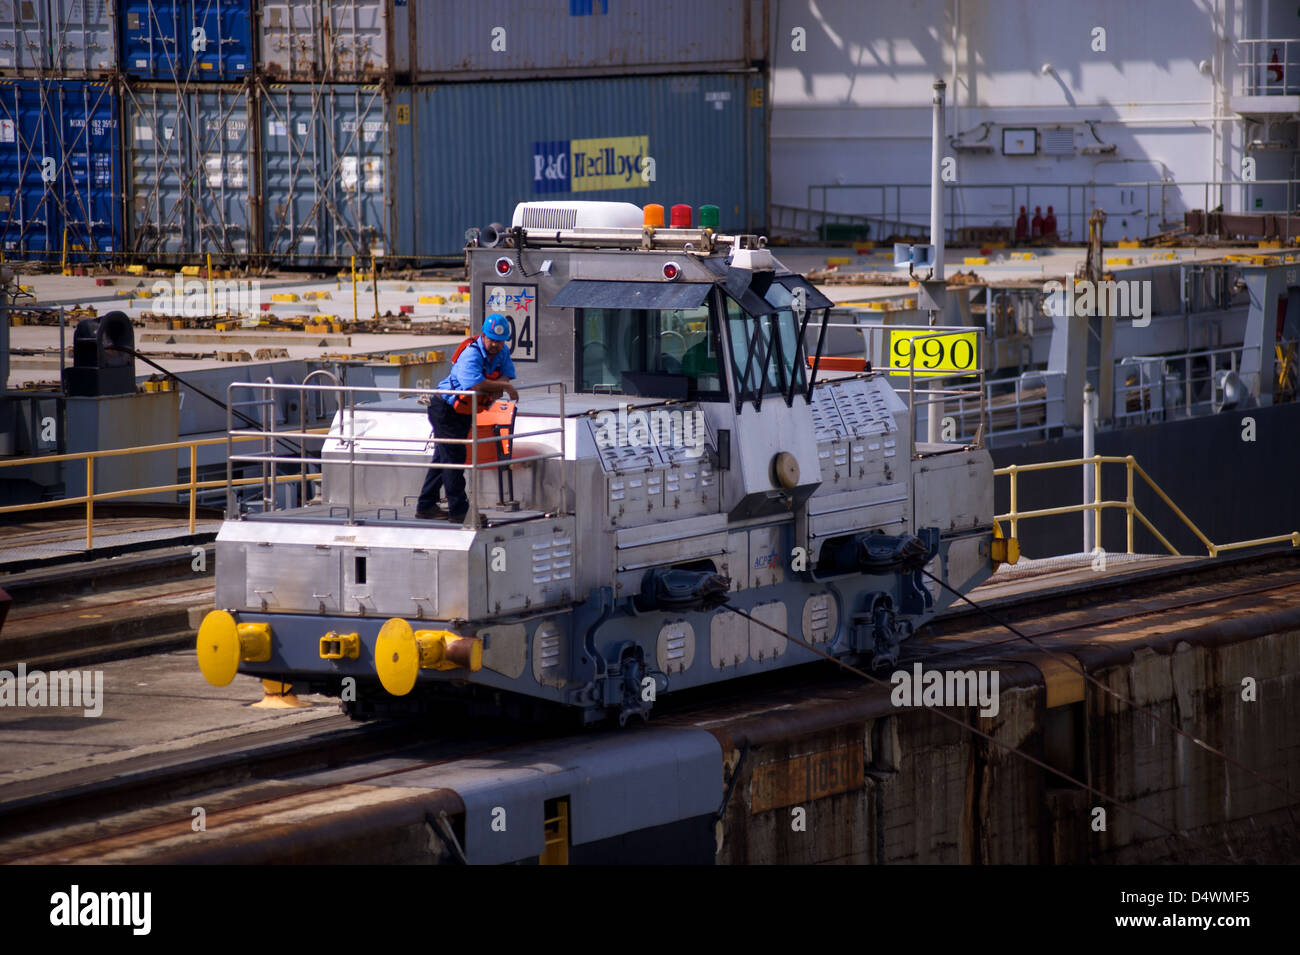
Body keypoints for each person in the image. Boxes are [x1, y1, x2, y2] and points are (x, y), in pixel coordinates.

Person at [416, 314, 519, 522]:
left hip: (465, 411)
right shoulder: (471, 353)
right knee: (454, 458)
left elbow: (506, 373)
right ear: (483, 336)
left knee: (443, 457)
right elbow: (476, 384)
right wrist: (503, 387)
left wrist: (502, 384)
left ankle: (426, 505)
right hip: (445, 409)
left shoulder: (502, 352)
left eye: (500, 341)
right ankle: (459, 511)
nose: (495, 345)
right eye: (492, 340)